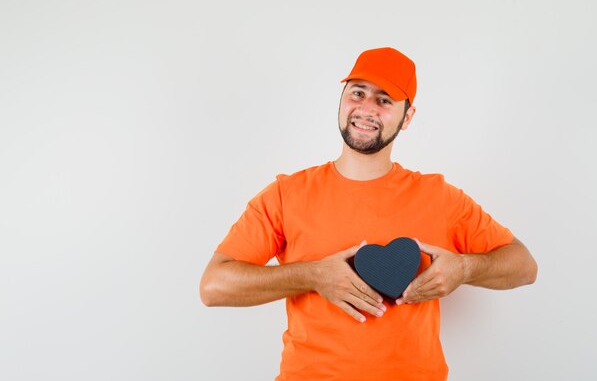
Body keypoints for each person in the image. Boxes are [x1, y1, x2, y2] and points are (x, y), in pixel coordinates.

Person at [199, 47, 538, 381]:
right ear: (342, 100)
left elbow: (523, 266)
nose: (365, 108)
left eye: (384, 100)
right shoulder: (286, 195)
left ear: (407, 117)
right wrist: (313, 276)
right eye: (357, 93)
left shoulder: (439, 197)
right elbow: (214, 286)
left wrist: (463, 269)